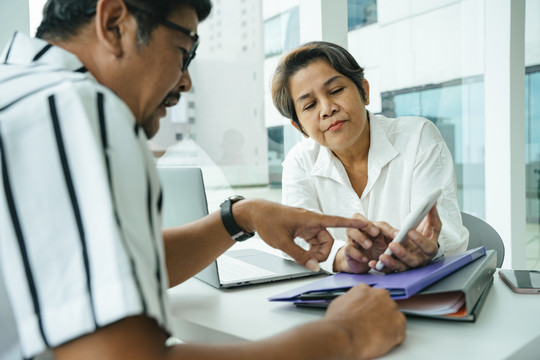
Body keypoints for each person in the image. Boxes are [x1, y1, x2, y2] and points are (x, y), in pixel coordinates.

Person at [0, 1, 406, 359]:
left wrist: (240, 217)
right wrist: (345, 335)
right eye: (184, 51)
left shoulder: (19, 93)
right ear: (114, 25)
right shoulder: (75, 108)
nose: (186, 82)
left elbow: (108, 263)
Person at [272, 41, 469, 274]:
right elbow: (295, 238)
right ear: (300, 127)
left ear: (364, 91)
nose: (327, 108)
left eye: (336, 91)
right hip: (342, 296)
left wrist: (427, 247)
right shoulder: (299, 162)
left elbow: (447, 231)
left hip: (420, 286)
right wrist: (343, 257)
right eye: (310, 105)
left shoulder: (417, 137)